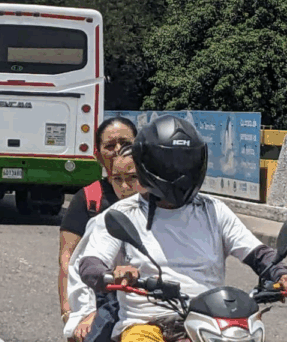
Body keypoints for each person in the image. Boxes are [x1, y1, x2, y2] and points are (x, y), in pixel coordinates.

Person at [78, 115, 287, 342]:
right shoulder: (123, 214)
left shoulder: (213, 210)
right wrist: (114, 275)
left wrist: (281, 273)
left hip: (210, 321)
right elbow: (91, 264)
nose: (180, 173)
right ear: (148, 165)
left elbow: (257, 254)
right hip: (146, 324)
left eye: (186, 162)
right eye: (170, 164)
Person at [59, 117, 138, 327]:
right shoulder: (88, 199)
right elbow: (69, 260)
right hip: (98, 307)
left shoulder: (160, 200)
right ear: (98, 155)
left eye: (125, 144)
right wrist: (70, 314)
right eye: (110, 146)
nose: (118, 150)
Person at [65, 147, 144, 342]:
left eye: (132, 178)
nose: (125, 187)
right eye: (118, 179)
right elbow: (80, 269)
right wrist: (88, 313)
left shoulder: (173, 214)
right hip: (114, 303)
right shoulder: (105, 220)